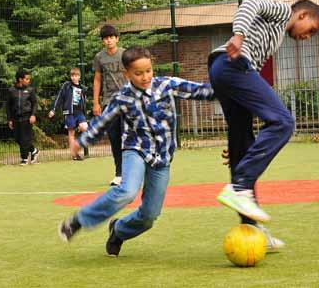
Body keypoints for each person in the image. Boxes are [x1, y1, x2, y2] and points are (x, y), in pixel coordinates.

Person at [58, 47, 214, 256]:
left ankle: (119, 230)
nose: (145, 77)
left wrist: (231, 85)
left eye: (148, 71)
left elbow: (201, 91)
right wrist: (81, 141)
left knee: (149, 216)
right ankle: (79, 221)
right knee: (127, 191)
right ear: (126, 74)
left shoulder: (166, 85)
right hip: (136, 150)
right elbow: (102, 122)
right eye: (138, 73)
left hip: (162, 158)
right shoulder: (122, 97)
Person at [208, 0, 319, 250]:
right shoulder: (283, 11)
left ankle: (252, 228)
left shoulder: (276, 35)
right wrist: (238, 34)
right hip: (232, 65)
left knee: (242, 147)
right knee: (283, 122)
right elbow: (250, 3)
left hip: (224, 71)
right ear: (302, 15)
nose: (308, 37)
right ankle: (240, 186)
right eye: (311, 30)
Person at [93, 24, 126, 186]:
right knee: (114, 138)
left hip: (127, 101)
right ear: (103, 41)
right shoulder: (100, 57)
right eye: (106, 38)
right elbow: (97, 79)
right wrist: (96, 102)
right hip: (109, 102)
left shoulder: (125, 54)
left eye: (111, 37)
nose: (109, 40)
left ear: (117, 38)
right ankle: (119, 173)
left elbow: (132, 74)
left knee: (129, 138)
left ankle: (134, 172)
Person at [48, 67, 88, 160]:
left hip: (79, 113)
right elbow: (59, 97)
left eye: (76, 76)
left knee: (85, 128)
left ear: (79, 77)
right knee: (71, 133)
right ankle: (74, 155)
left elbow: (84, 102)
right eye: (72, 76)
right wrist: (53, 109)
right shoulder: (66, 85)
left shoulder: (82, 88)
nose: (74, 77)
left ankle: (77, 146)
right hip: (69, 112)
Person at [6, 69, 40, 166]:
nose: (29, 80)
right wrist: (9, 119)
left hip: (27, 117)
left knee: (25, 138)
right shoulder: (11, 90)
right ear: (20, 79)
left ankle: (24, 158)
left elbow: (34, 103)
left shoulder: (30, 90)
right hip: (15, 118)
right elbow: (8, 106)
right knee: (17, 138)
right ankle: (34, 150)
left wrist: (33, 115)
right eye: (27, 79)